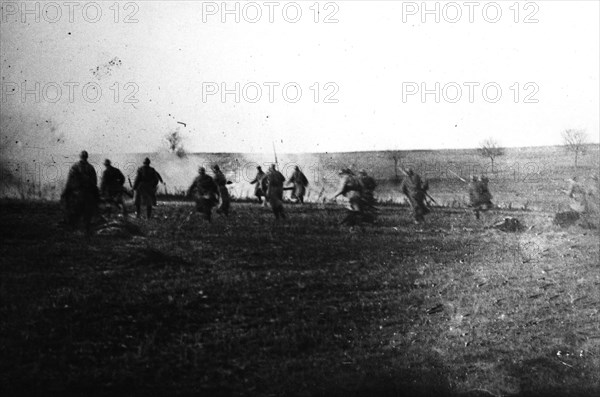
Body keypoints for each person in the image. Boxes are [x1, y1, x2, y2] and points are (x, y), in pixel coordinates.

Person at [60, 150, 99, 233]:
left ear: (80, 157)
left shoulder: (75, 167)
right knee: (88, 212)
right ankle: (86, 230)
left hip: (77, 194)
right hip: (88, 193)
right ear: (87, 157)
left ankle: (75, 229)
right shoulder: (91, 167)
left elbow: (70, 180)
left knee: (75, 211)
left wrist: (66, 191)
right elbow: (94, 181)